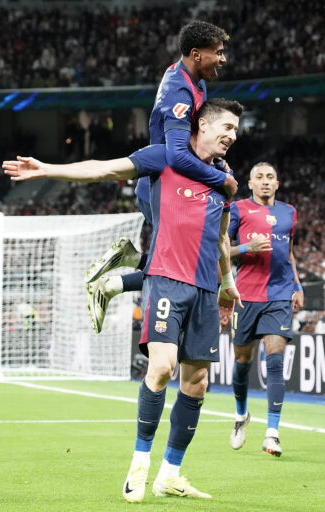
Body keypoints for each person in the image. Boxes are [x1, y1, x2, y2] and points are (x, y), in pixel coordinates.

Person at [4, 98, 245, 502]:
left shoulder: (225, 176)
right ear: (202, 125)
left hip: (205, 288)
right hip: (166, 279)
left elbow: (221, 237)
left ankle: (170, 474)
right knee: (163, 367)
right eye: (227, 127)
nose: (232, 135)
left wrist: (227, 281)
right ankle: (139, 464)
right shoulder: (166, 157)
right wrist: (47, 169)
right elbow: (103, 168)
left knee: (197, 382)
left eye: (236, 129)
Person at [85, 20, 237, 333]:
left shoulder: (196, 81)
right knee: (183, 267)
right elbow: (177, 155)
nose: (223, 59)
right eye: (218, 52)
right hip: (163, 187)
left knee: (188, 264)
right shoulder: (178, 89)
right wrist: (219, 179)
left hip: (178, 186)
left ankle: (123, 270)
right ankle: (114, 283)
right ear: (196, 54)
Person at [225, 162, 303, 458]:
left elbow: (290, 254)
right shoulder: (238, 209)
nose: (265, 181)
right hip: (246, 295)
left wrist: (297, 286)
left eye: (270, 177)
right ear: (251, 184)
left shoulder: (289, 212)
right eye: (259, 177)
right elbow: (221, 250)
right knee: (242, 361)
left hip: (279, 295)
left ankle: (272, 433)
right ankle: (241, 414)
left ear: (277, 183)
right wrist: (247, 248)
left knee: (275, 362)